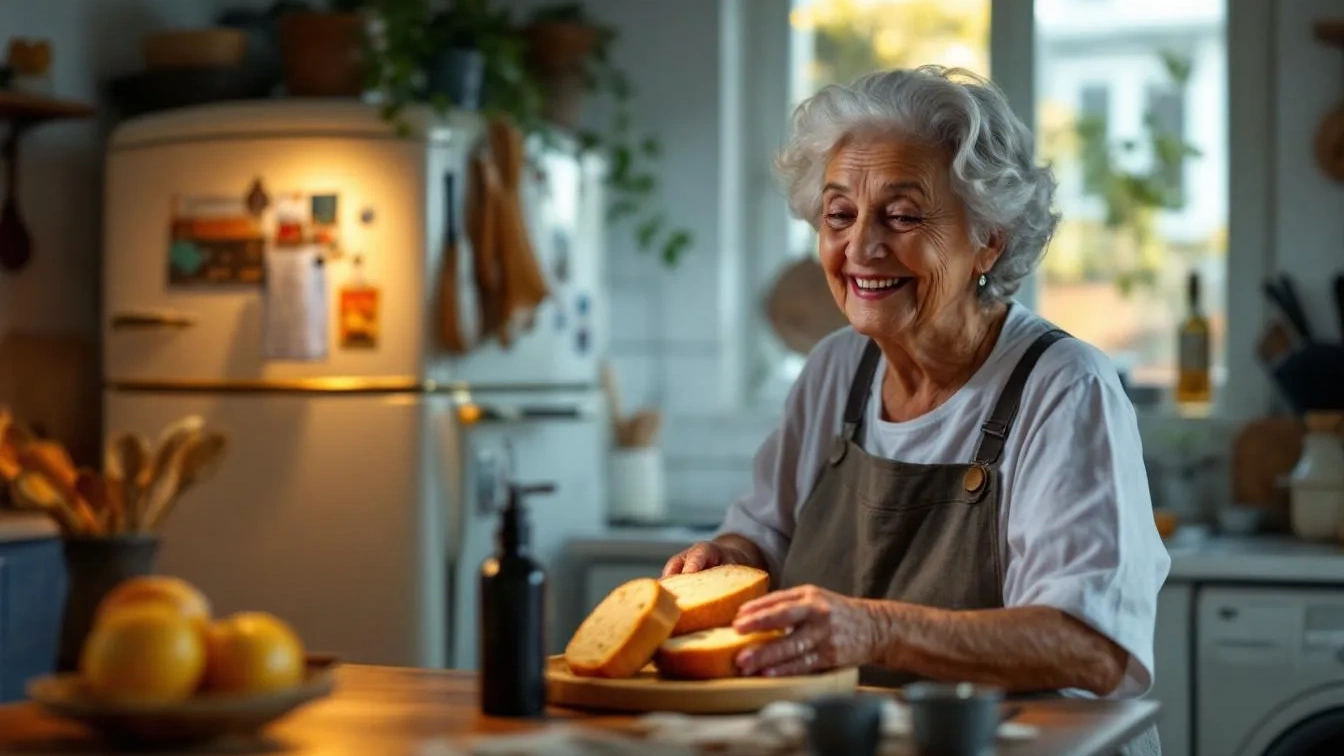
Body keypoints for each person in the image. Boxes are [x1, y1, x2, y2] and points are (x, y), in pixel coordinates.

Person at [663, 66, 1171, 704]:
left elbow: (1091, 647)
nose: (861, 247)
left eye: (901, 216)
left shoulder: (1064, 388)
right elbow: (764, 536)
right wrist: (724, 560)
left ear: (989, 239)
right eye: (839, 214)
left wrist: (872, 628)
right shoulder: (835, 369)